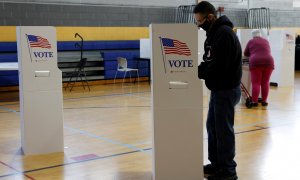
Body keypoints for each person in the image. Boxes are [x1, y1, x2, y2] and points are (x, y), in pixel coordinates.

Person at [194, 1, 242, 180]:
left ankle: (228, 171)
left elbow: (219, 66)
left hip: (226, 89)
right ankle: (216, 164)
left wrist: (199, 71)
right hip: (218, 89)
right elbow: (209, 60)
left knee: (223, 131)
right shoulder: (213, 34)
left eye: (200, 21)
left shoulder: (224, 34)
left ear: (210, 17)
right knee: (213, 128)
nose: (199, 25)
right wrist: (199, 68)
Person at [244, 29, 274, 106]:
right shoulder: (266, 41)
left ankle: (255, 101)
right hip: (269, 62)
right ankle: (264, 101)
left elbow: (245, 53)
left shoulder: (251, 41)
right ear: (260, 34)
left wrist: (252, 53)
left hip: (256, 62)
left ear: (253, 35)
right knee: (265, 82)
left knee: (256, 83)